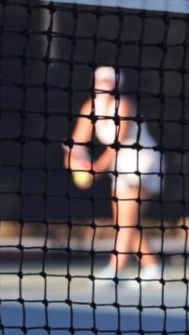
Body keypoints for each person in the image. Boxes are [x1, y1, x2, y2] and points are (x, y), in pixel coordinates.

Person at [64, 66, 163, 286]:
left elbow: (116, 145)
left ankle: (114, 271)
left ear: (116, 86)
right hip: (119, 168)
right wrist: (74, 161)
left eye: (108, 82)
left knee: (126, 221)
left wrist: (95, 169)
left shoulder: (125, 106)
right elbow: (77, 144)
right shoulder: (90, 108)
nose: (103, 85)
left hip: (144, 163)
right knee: (124, 221)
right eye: (100, 81)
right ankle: (153, 267)